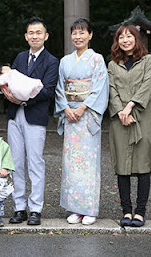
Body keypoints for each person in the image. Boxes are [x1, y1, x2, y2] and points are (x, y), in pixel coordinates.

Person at [2, 17, 59, 226]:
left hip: (35, 115)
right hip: (14, 114)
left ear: (46, 36)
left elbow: (48, 90)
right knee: (15, 162)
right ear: (26, 37)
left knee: (35, 162)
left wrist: (23, 97)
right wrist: (8, 93)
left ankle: (36, 209)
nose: (35, 36)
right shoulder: (19, 58)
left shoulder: (52, 61)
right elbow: (11, 81)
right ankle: (19, 207)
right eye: (31, 33)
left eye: (39, 32)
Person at [54, 18, 109, 225]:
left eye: (82, 33)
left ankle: (90, 209)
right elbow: (60, 88)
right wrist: (67, 109)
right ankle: (75, 208)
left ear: (90, 35)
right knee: (71, 163)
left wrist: (83, 107)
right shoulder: (65, 61)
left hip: (87, 117)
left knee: (88, 163)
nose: (78, 37)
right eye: (74, 33)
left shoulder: (96, 59)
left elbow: (100, 87)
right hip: (70, 116)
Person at [108, 23, 151, 228]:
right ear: (117, 41)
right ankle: (126, 211)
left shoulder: (148, 60)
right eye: (121, 37)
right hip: (119, 118)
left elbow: (148, 85)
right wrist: (121, 111)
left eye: (129, 36)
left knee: (142, 164)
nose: (125, 40)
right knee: (122, 166)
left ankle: (140, 212)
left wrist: (129, 107)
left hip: (142, 115)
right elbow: (111, 89)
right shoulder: (113, 64)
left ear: (137, 39)